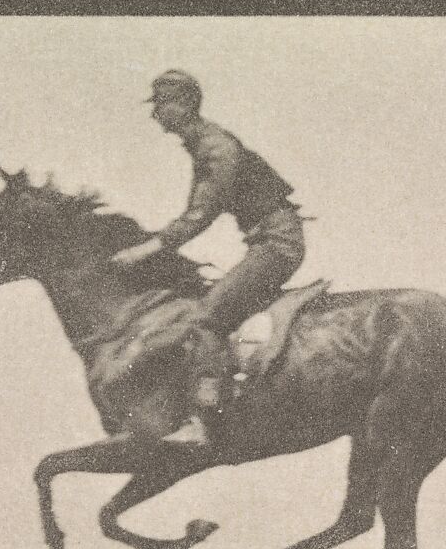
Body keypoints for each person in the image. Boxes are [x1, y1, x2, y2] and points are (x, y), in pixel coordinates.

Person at [110, 70, 307, 444]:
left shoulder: (215, 147)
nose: (156, 115)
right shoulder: (203, 144)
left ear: (183, 105)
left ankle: (204, 421)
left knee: (207, 317)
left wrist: (148, 248)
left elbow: (201, 213)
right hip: (269, 240)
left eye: (161, 105)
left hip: (278, 244)